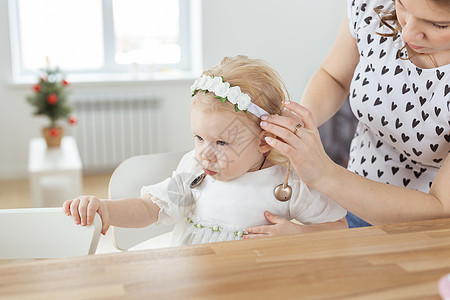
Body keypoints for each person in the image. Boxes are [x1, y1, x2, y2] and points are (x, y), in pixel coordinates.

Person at [63, 56, 348, 245]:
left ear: (264, 141)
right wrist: (106, 209)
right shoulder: (195, 174)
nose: (205, 154)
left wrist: (299, 235)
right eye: (199, 138)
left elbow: (338, 228)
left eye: (221, 143)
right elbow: (149, 208)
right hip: (194, 282)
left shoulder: (286, 184)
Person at [246, 0, 449, 235]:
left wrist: (324, 175)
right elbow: (334, 77)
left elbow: (441, 207)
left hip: (427, 233)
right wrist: (293, 123)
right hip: (349, 202)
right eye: (402, 5)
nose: (408, 32)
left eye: (438, 25)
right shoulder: (372, 6)